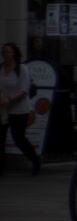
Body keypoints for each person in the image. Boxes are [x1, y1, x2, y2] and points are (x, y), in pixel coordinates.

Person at [1, 42, 42, 175]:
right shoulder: (1, 69)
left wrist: (10, 99)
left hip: (19, 109)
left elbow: (24, 90)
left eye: (8, 52)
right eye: (4, 52)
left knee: (18, 138)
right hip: (3, 110)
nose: (6, 54)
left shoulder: (22, 68)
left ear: (14, 54)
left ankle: (35, 160)